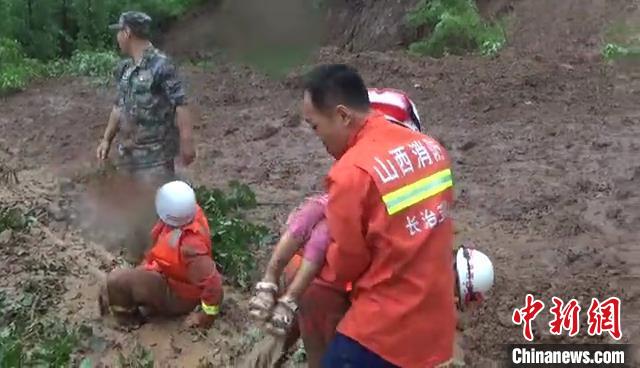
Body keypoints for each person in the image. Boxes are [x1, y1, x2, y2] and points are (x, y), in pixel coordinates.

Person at [301, 63, 455, 367]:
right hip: (437, 324)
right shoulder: (431, 149)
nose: (319, 139)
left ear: (343, 115)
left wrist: (311, 261)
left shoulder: (349, 174)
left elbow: (347, 265)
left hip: (386, 332)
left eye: (316, 127)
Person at [95, 11, 196, 262]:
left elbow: (180, 104)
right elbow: (119, 107)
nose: (117, 37)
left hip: (154, 157)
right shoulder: (126, 70)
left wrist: (187, 142)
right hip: (128, 155)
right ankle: (133, 260)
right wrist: (106, 139)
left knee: (156, 215)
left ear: (127, 32)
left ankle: (159, 268)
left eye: (119, 32)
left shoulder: (161, 65)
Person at [98, 180, 223, 329]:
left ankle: (127, 320)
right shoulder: (188, 214)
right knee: (125, 279)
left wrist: (205, 318)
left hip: (180, 294)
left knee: (117, 281)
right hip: (171, 275)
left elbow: (213, 285)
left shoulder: (191, 249)